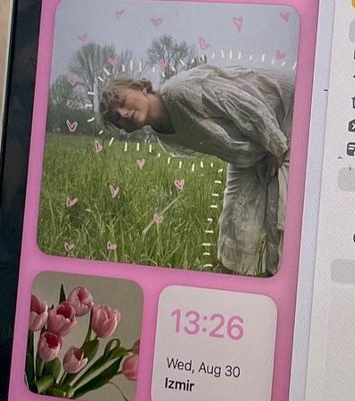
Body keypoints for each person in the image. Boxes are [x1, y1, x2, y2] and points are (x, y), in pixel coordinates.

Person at [99, 64, 294, 275]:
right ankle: (233, 285)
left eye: (123, 102)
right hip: (250, 148)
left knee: (281, 215)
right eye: (117, 118)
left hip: (282, 115)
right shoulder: (160, 131)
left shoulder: (180, 91)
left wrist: (276, 147)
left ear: (141, 87)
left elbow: (246, 105)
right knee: (235, 222)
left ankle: (279, 281)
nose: (123, 113)